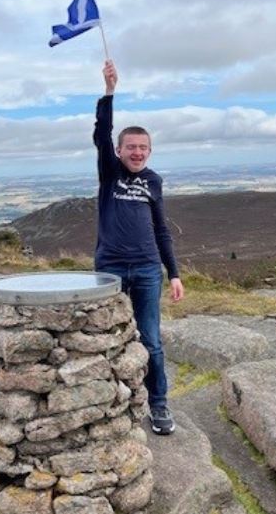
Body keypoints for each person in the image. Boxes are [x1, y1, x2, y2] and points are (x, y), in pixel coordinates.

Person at [93, 59, 184, 435]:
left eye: (143, 147)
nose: (137, 152)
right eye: (130, 147)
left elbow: (161, 229)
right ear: (119, 151)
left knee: (151, 340)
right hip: (109, 269)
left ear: (150, 150)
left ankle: (158, 405)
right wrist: (110, 92)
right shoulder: (110, 173)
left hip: (147, 269)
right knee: (104, 338)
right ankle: (106, 402)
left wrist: (174, 273)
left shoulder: (154, 181)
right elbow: (101, 134)